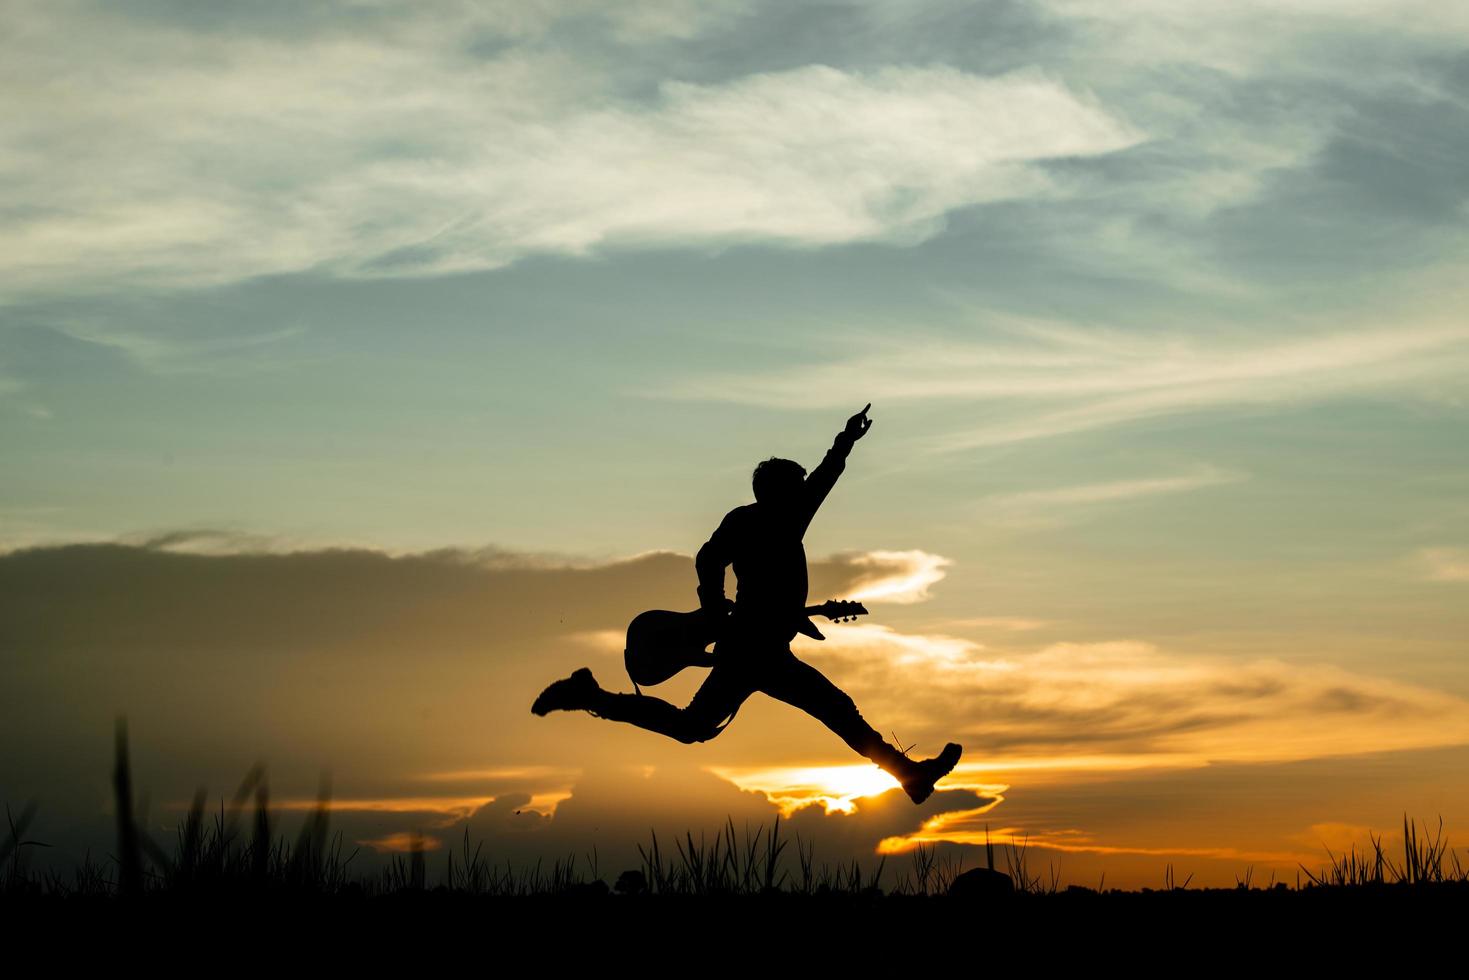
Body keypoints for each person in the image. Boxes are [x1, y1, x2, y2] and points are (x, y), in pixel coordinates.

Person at [531, 404, 962, 804]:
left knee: (697, 726)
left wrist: (846, 441)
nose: (803, 494)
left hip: (765, 648)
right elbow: (710, 559)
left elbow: (822, 480)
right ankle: (910, 775)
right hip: (753, 651)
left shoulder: (779, 518)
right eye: (796, 488)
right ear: (775, 493)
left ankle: (592, 696)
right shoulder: (758, 520)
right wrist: (716, 608)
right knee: (832, 711)